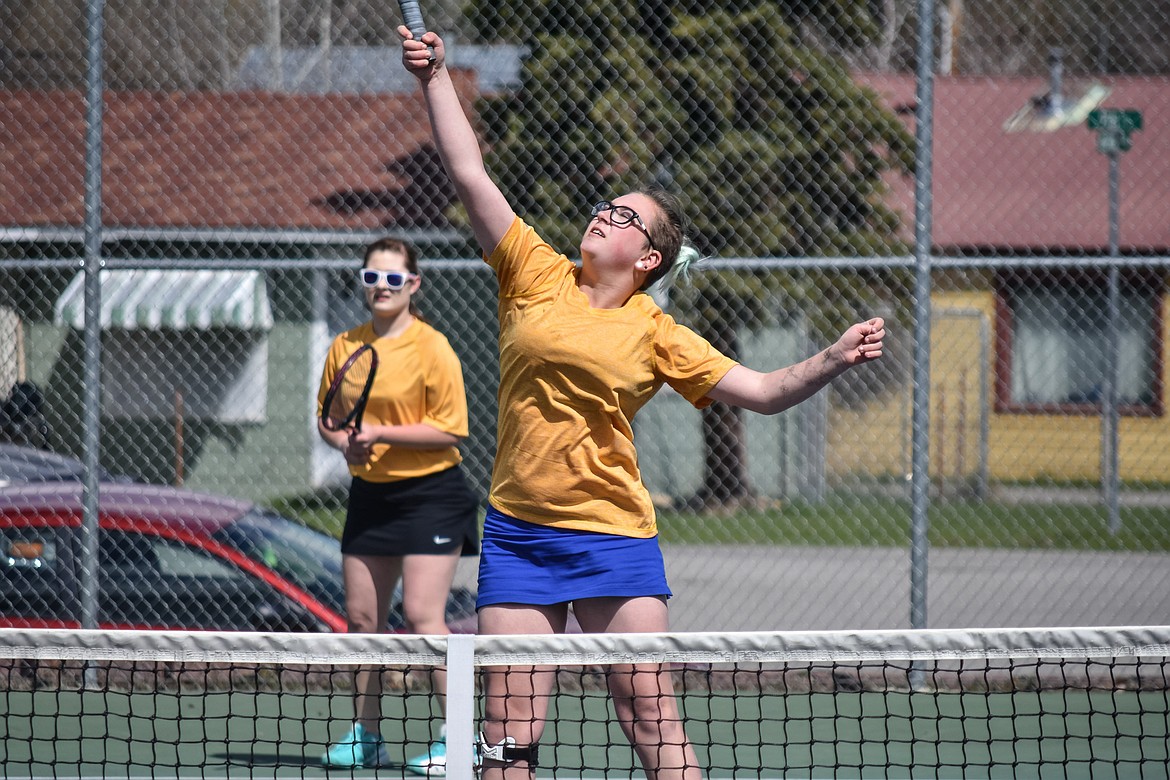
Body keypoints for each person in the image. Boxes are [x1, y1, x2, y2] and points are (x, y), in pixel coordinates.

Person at [400, 29, 887, 780]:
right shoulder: (535, 273)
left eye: (625, 216)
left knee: (646, 706)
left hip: (612, 537)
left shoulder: (657, 331)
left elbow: (759, 392)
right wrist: (434, 77)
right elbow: (469, 173)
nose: (604, 215)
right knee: (508, 727)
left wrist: (833, 356)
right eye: (605, 205)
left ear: (649, 258)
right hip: (519, 534)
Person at [316, 237, 480, 776]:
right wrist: (346, 444)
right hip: (371, 495)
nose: (381, 288)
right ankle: (367, 736)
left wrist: (383, 431)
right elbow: (329, 419)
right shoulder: (344, 346)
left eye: (392, 279)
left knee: (422, 616)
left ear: (413, 285)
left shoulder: (433, 348)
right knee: (363, 619)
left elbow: (452, 429)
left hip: (433, 494)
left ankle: (459, 739)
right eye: (371, 279)